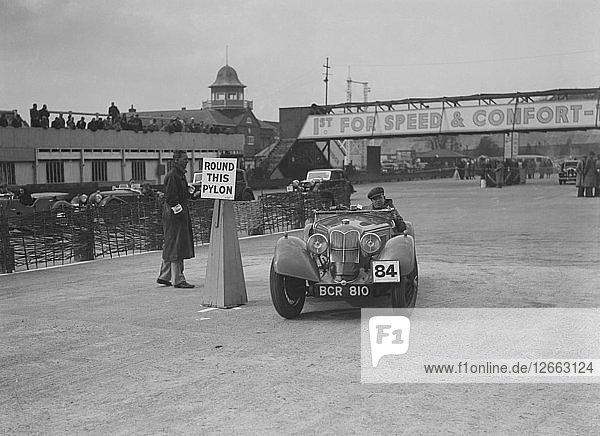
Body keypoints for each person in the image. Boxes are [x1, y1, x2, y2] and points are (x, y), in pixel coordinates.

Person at [157, 150, 195, 288]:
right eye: (184, 159)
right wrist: (179, 213)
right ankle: (178, 279)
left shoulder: (177, 175)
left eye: (187, 159)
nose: (186, 161)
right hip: (175, 215)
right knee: (178, 245)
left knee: (170, 243)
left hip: (171, 215)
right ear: (176, 160)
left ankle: (165, 276)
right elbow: (172, 198)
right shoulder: (174, 176)